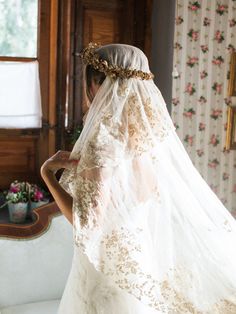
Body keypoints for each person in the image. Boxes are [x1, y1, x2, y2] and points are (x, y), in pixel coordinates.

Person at [41, 43, 236, 314]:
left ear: (99, 83)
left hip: (105, 271)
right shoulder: (145, 142)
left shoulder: (103, 141)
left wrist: (47, 174)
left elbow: (86, 223)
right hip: (138, 263)